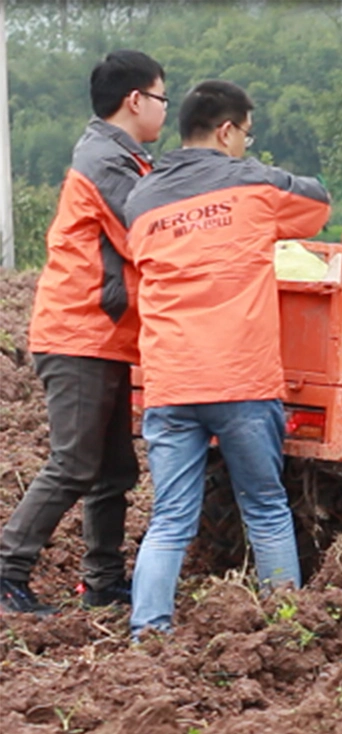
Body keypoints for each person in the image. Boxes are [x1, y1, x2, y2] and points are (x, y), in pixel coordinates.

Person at [125, 79, 330, 639]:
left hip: (171, 382)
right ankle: (287, 623)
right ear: (227, 130)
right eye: (245, 133)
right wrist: (260, 169)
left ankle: (147, 632)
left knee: (169, 517)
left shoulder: (141, 200)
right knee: (264, 506)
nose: (245, 143)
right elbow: (316, 206)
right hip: (242, 380)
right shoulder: (255, 185)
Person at [0, 51, 167, 616]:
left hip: (105, 337)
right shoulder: (105, 161)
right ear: (136, 100)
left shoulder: (125, 158)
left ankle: (102, 581)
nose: (164, 110)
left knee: (115, 470)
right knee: (73, 463)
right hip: (78, 335)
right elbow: (147, 232)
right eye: (162, 98)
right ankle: (6, 572)